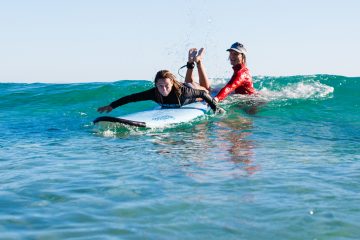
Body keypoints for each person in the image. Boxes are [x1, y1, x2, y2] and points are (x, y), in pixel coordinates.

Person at [97, 69, 224, 114]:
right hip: (184, 88)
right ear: (156, 85)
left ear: (172, 83)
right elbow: (131, 98)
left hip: (191, 89)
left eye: (167, 86)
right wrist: (111, 106)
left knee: (205, 89)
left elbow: (202, 94)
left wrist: (215, 108)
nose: (164, 89)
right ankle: (190, 63)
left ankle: (196, 62)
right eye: (160, 86)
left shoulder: (184, 92)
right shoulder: (154, 92)